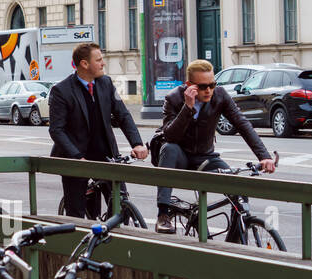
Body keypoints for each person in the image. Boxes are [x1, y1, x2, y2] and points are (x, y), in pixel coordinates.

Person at [153, 59, 276, 234]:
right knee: (169, 148)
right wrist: (187, 108)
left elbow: (242, 124)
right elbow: (170, 135)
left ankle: (236, 234)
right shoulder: (173, 98)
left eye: (212, 84)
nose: (208, 90)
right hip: (180, 156)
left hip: (205, 157)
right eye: (203, 86)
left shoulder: (220, 95)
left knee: (238, 187)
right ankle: (163, 215)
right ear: (190, 85)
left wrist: (264, 156)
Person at [48, 42, 147, 218]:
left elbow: (123, 115)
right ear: (84, 64)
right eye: (99, 60)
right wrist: (77, 157)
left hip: (105, 154)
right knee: (76, 213)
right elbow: (57, 130)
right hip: (77, 158)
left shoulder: (105, 83)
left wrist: (137, 144)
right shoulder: (61, 91)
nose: (103, 63)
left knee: (120, 205)